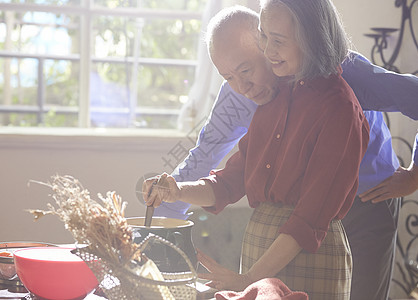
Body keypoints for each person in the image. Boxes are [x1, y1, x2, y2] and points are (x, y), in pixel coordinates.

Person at [153, 5, 418, 300]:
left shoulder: (345, 83)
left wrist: (415, 174)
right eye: (228, 76)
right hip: (293, 224)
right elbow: (214, 166)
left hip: (368, 200)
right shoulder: (250, 98)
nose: (241, 87)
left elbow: (311, 216)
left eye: (246, 69)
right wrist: (160, 222)